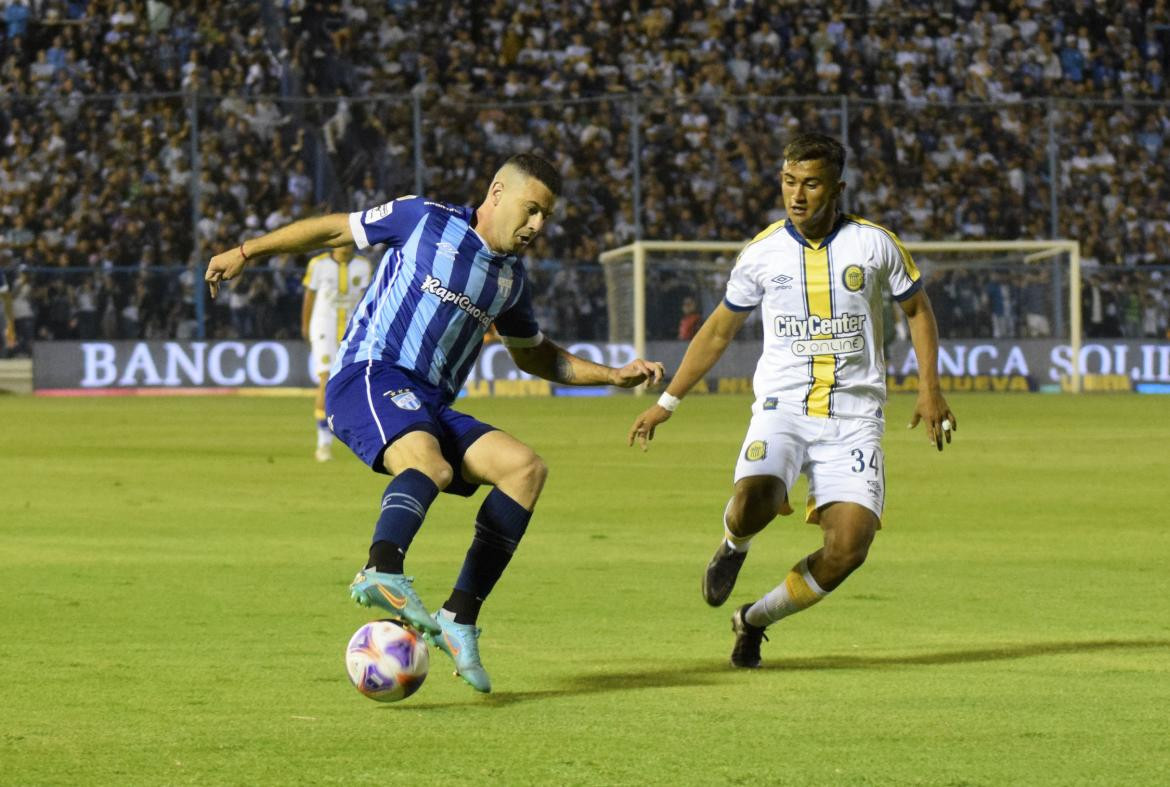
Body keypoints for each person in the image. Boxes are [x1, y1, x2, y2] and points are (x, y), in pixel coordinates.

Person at [206, 153, 664, 692]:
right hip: (369, 375)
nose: (538, 226)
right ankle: (381, 567)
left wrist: (613, 376)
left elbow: (536, 356)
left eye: (546, 217)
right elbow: (337, 227)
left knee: (524, 470)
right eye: (532, 209)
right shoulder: (424, 218)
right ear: (497, 193)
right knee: (430, 465)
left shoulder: (511, 281)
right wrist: (246, 251)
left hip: (430, 403)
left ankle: (459, 616)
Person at [627, 133, 955, 669]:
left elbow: (917, 311)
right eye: (788, 182)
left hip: (855, 417)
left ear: (838, 187)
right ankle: (733, 548)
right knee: (755, 493)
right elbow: (716, 332)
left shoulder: (875, 245)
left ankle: (754, 619)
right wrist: (668, 401)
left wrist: (930, 388)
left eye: (810, 183)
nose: (796, 195)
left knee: (849, 547)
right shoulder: (762, 254)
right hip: (784, 407)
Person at [301, 244, 373, 462]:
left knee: (357, 385)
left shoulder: (363, 265)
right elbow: (309, 298)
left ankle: (363, 439)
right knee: (325, 380)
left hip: (353, 330)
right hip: (324, 328)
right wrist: (305, 326)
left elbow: (367, 301)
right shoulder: (319, 264)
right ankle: (323, 444)